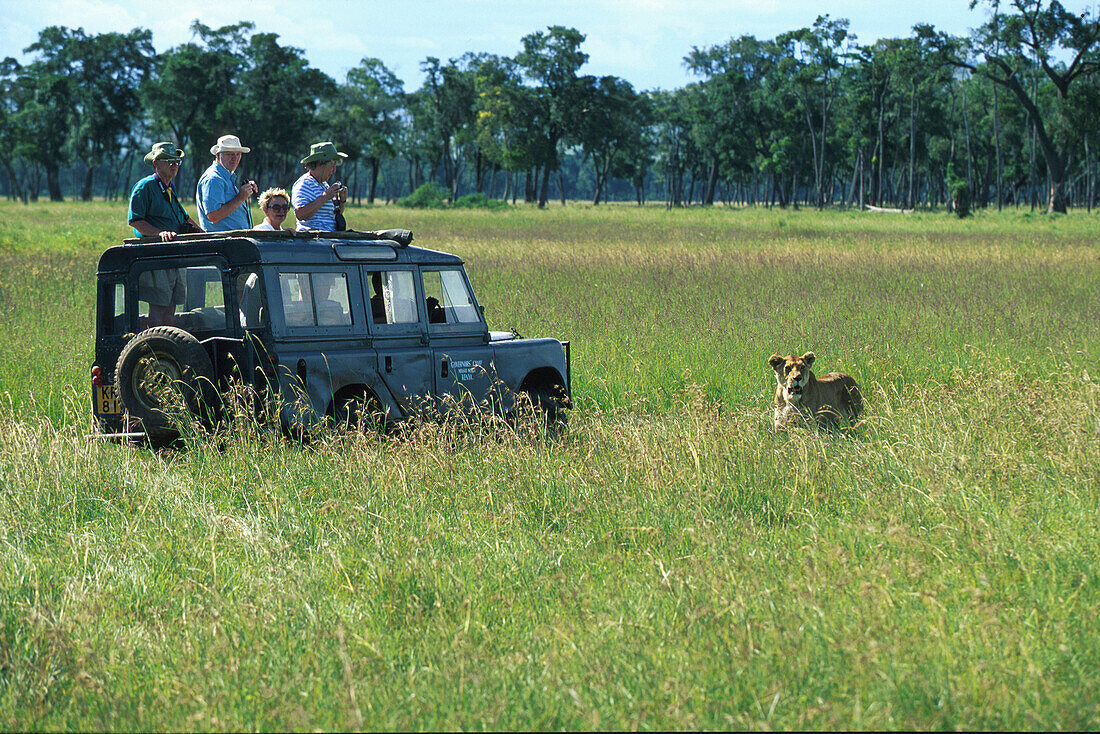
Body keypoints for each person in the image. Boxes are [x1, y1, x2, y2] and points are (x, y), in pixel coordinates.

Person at [127, 141, 202, 242]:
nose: (175, 165)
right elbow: (135, 221)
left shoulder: (170, 187)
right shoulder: (144, 187)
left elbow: (185, 218)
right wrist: (160, 233)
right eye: (170, 161)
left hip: (174, 244)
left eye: (177, 161)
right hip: (155, 248)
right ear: (155, 163)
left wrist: (204, 235)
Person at [196, 134, 257, 231]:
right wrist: (240, 198)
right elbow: (213, 216)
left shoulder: (225, 177)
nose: (235, 158)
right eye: (230, 154)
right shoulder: (213, 179)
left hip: (231, 241)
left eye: (238, 154)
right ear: (218, 155)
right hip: (223, 243)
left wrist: (246, 190)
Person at [292, 141, 348, 231]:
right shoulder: (304, 183)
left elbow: (334, 215)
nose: (334, 171)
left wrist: (342, 200)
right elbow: (300, 214)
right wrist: (325, 197)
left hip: (329, 236)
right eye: (332, 166)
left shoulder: (324, 184)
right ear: (320, 165)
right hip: (314, 239)